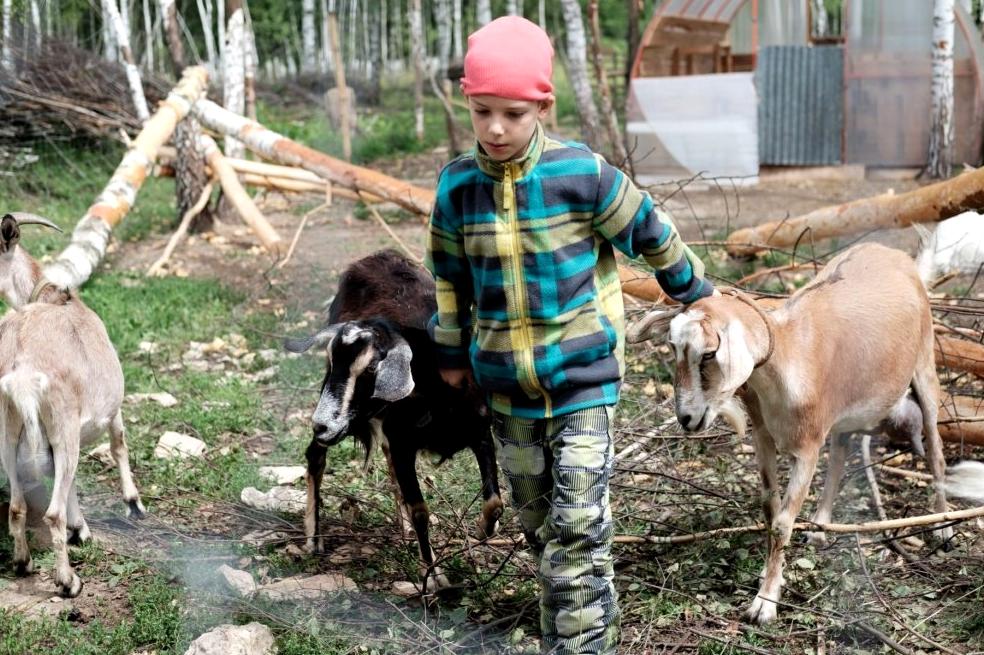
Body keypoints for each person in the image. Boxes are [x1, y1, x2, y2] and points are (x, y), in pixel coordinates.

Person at [425, 16, 715, 655]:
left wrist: (697, 289)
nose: (496, 128)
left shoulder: (580, 173)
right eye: (482, 112)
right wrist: (451, 353)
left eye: (513, 114)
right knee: (538, 525)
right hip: (504, 388)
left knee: (579, 525)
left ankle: (579, 642)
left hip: (583, 379)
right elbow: (448, 277)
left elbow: (649, 228)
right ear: (467, 105)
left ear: (542, 107)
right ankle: (581, 604)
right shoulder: (457, 188)